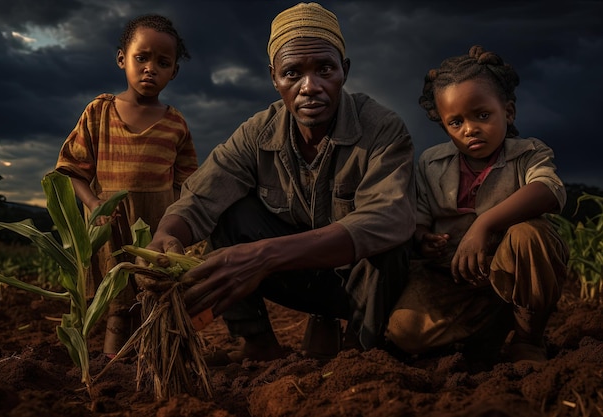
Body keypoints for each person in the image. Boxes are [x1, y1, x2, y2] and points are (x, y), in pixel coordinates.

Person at [146, 2, 415, 363]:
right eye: (292, 73)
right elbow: (201, 195)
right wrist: (167, 235)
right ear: (274, 78)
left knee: (389, 243)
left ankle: (359, 350)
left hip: (363, 287)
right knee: (229, 214)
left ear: (344, 71)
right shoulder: (257, 132)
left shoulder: (382, 128)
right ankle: (257, 343)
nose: (310, 87)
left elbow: (390, 218)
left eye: (324, 70)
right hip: (295, 278)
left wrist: (263, 256)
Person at [385, 45, 569, 365]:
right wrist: (423, 238)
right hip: (453, 281)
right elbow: (420, 217)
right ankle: (486, 331)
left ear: (508, 112)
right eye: (455, 122)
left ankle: (528, 338)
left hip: (511, 276)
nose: (470, 129)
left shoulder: (528, 153)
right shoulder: (431, 163)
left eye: (482, 115)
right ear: (444, 126)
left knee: (530, 235)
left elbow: (549, 190)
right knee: (405, 332)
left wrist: (485, 224)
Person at [55, 14, 198, 357]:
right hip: (113, 226)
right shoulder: (99, 113)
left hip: (157, 229)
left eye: (163, 63)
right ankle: (111, 367)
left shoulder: (176, 123)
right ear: (122, 59)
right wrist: (95, 207)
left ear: (174, 71)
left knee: (156, 301)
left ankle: (154, 365)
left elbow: (187, 184)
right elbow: (71, 171)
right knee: (118, 305)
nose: (151, 68)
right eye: (141, 58)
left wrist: (182, 230)